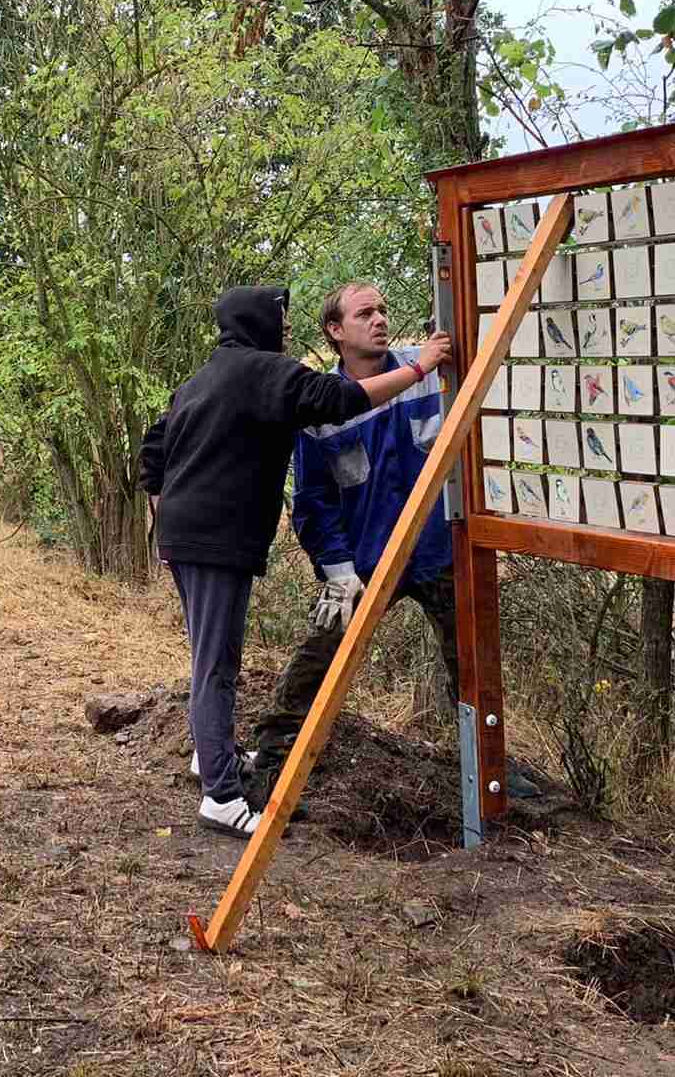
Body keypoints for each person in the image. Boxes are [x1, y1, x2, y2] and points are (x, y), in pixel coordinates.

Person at [141, 285, 452, 838]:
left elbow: (153, 447)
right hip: (223, 541)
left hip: (189, 537)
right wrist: (420, 369)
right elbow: (340, 401)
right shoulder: (267, 372)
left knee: (207, 655)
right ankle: (221, 796)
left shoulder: (203, 377)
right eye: (279, 320)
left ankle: (210, 757)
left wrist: (168, 512)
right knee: (216, 664)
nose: (285, 331)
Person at [247, 281, 540, 800]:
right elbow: (313, 502)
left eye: (382, 310)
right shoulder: (322, 407)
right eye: (364, 314)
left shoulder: (431, 374)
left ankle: (494, 772)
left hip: (437, 554)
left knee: (472, 664)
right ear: (336, 332)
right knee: (320, 656)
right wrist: (337, 572)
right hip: (363, 566)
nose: (379, 319)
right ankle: (270, 761)